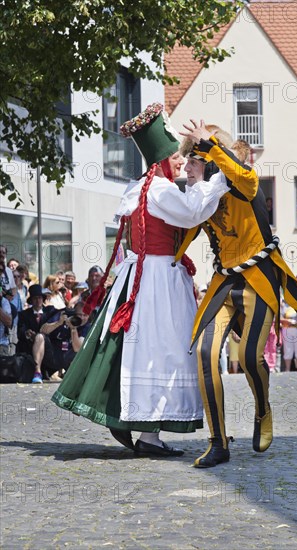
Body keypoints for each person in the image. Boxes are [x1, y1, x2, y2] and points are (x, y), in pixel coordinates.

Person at [52, 103, 230, 457]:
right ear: (163, 161)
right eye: (177, 160)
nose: (181, 164)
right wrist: (221, 177)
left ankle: (140, 430)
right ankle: (144, 432)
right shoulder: (160, 190)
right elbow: (194, 210)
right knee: (161, 352)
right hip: (156, 281)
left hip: (143, 276)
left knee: (141, 351)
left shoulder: (142, 188)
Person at [179, 120, 297, 467]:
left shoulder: (241, 181)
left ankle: (263, 410)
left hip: (258, 277)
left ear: (210, 159)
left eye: (192, 160)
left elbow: (248, 178)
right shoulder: (202, 199)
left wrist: (209, 144)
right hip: (224, 281)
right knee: (206, 355)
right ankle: (218, 441)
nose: (186, 167)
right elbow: (179, 240)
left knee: (253, 357)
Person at [17, 285, 59, 382]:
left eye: (40, 298)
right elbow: (21, 331)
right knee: (38, 338)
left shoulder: (50, 311)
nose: (38, 301)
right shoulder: (23, 314)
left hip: (48, 347)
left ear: (43, 299)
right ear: (31, 300)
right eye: (35, 298)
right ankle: (37, 371)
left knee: (40, 337)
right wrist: (27, 333)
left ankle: (38, 371)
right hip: (29, 347)